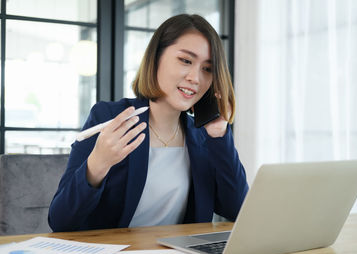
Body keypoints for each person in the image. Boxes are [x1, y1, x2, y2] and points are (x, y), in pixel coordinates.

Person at [48, 14, 248, 232]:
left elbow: (237, 210)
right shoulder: (109, 118)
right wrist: (98, 163)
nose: (195, 78)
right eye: (186, 61)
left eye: (207, 69)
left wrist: (220, 134)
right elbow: (60, 221)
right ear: (156, 58)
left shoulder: (205, 137)